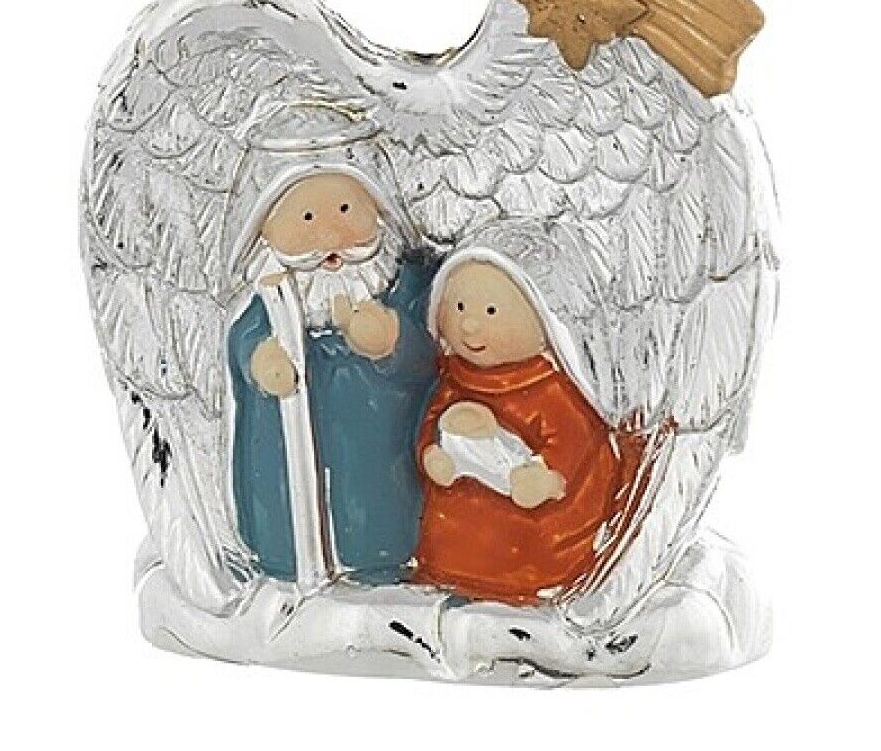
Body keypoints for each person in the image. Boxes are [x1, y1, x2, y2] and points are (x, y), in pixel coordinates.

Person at [229, 148, 437, 583]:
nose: (329, 236)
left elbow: (432, 352)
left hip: (381, 452)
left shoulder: (403, 285)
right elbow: (245, 341)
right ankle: (284, 566)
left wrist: (391, 339)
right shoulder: (274, 300)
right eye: (306, 219)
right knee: (287, 508)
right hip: (291, 467)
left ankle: (383, 566)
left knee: (381, 512)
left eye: (345, 210)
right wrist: (263, 361)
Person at [413, 231, 645, 604]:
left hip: (532, 541)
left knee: (531, 543)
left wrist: (547, 474)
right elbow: (431, 421)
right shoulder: (453, 381)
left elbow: (574, 440)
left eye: (490, 312)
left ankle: (530, 587)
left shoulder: (551, 390)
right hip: (460, 536)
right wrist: (431, 451)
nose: (470, 325)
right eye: (459, 308)